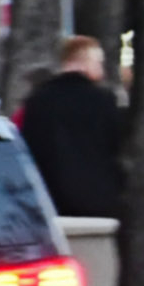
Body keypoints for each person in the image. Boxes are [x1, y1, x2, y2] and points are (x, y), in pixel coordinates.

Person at [18, 35, 126, 219]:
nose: (101, 68)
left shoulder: (38, 100)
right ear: (84, 61)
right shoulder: (103, 100)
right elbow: (117, 145)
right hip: (98, 201)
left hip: (51, 201)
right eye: (98, 62)